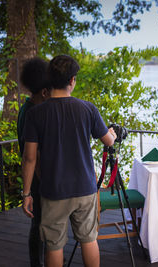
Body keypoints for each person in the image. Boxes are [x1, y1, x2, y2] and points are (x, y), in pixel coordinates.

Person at [21, 54, 117, 267]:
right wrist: (113, 134)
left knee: (54, 245)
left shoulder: (35, 114)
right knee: (89, 239)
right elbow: (108, 141)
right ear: (72, 80)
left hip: (53, 190)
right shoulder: (88, 109)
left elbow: (29, 159)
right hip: (85, 188)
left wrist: (27, 193)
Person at [17, 57, 50, 267]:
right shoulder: (31, 113)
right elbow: (32, 155)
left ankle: (49, 259)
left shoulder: (29, 109)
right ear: (44, 91)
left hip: (39, 178)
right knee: (39, 225)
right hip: (39, 179)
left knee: (42, 224)